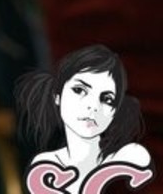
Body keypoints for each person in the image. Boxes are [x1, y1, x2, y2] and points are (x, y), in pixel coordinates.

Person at [16, 45, 153, 191]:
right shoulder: (43, 165)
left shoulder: (132, 156)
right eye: (79, 90)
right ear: (57, 96)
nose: (93, 106)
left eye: (107, 99)